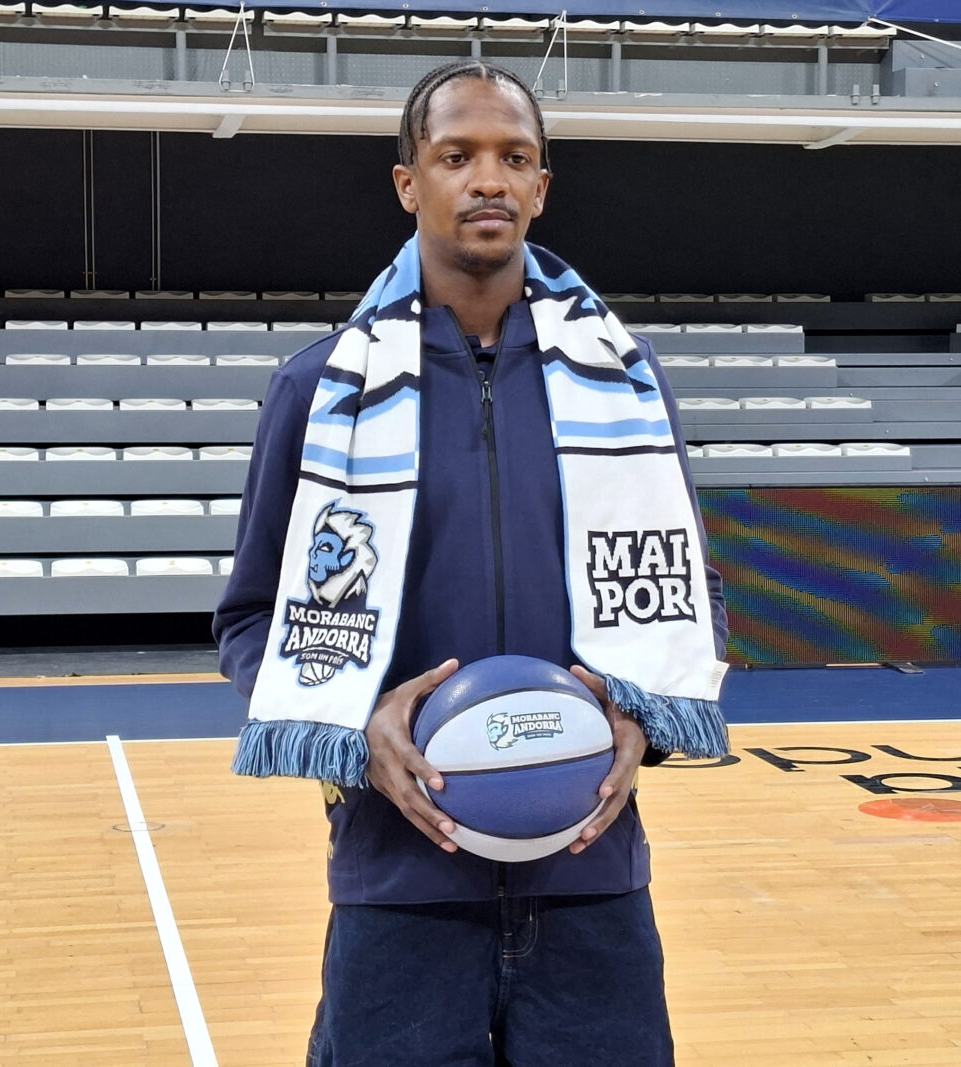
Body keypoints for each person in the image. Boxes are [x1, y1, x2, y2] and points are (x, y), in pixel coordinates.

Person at [212, 58, 729, 1067]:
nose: (489, 179)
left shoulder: (624, 384)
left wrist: (644, 720)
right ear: (409, 184)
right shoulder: (319, 389)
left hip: (589, 878)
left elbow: (689, 593)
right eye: (457, 156)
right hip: (399, 886)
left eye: (514, 157)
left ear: (541, 187)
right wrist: (358, 721)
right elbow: (251, 619)